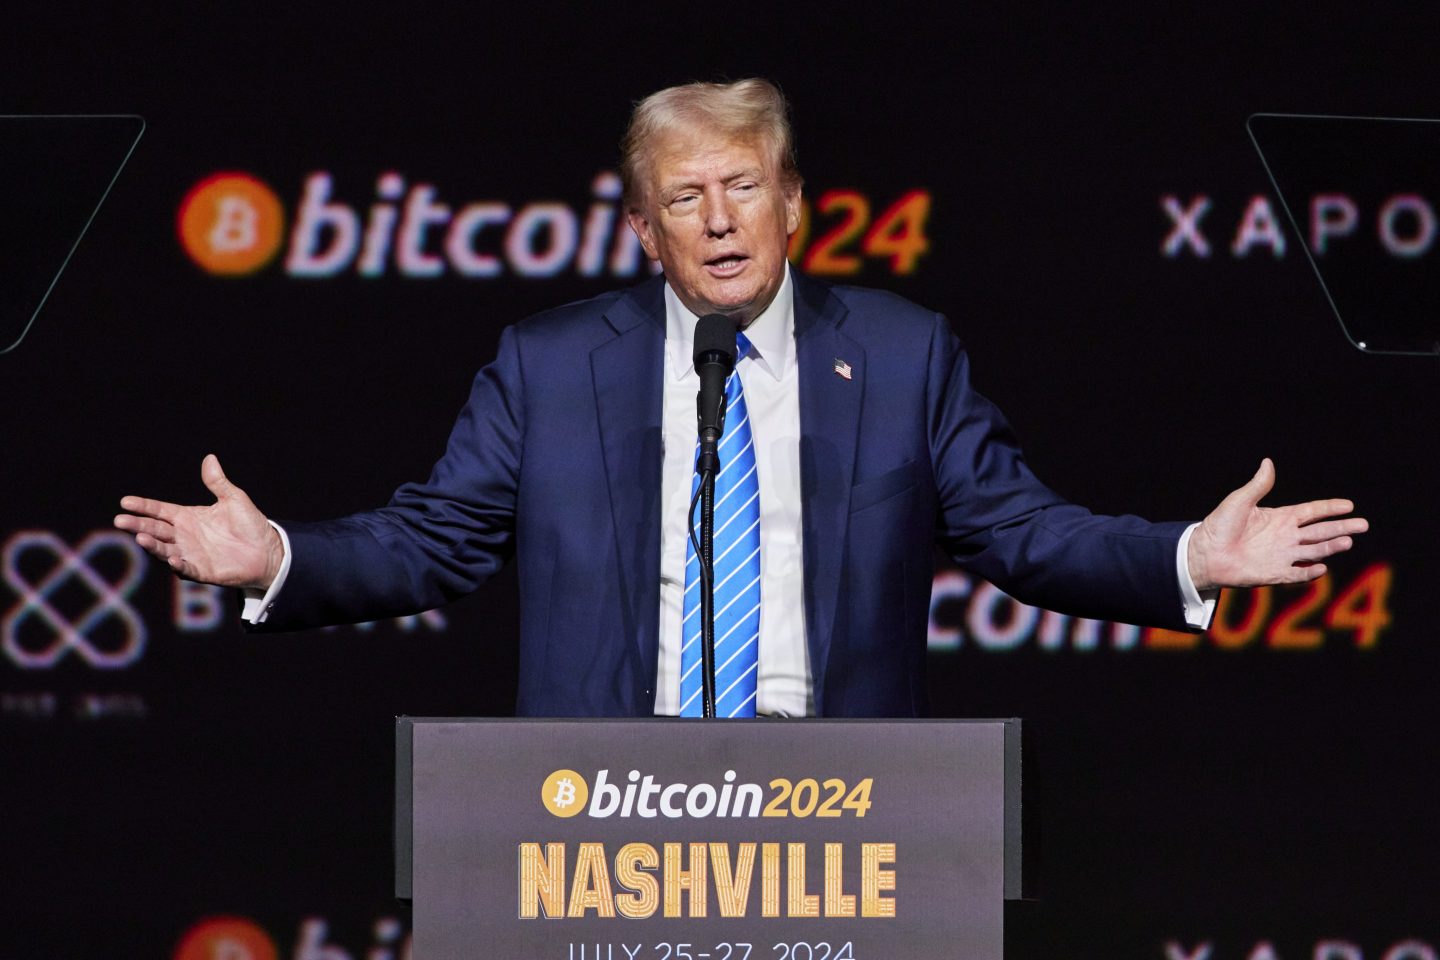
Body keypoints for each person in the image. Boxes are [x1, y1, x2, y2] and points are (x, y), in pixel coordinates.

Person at [114, 79, 1366, 718]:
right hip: (605, 815)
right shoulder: (551, 363)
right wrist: (276, 555)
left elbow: (1022, 533)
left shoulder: (900, 352)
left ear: (796, 205)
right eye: (685, 199)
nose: (720, 223)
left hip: (841, 821)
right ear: (646, 232)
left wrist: (1191, 557)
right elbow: (434, 541)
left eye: (745, 188)